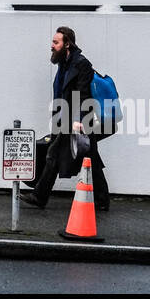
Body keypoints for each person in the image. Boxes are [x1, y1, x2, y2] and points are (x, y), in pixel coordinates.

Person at [23, 26, 110, 211]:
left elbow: (85, 95)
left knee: (66, 157)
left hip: (76, 121)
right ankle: (101, 201)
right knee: (79, 158)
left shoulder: (81, 64)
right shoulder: (65, 64)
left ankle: (40, 196)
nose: (52, 46)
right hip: (63, 119)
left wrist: (82, 121)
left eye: (56, 42)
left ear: (67, 44)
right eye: (52, 42)